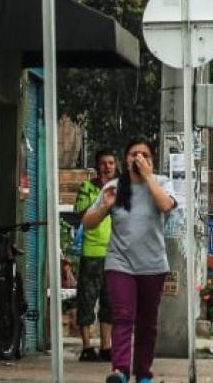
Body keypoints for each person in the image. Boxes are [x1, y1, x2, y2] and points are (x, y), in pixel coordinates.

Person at [83, 138, 177, 383]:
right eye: (133, 154)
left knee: (147, 322)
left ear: (152, 160)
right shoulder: (114, 187)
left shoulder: (162, 183)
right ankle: (120, 370)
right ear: (125, 160)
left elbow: (166, 205)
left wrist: (148, 177)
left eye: (144, 154)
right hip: (120, 263)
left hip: (153, 265)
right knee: (122, 316)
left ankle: (143, 373)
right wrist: (105, 206)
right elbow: (88, 222)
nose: (138, 158)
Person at [73, 148, 118, 362]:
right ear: (97, 167)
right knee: (86, 300)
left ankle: (106, 346)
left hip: (114, 254)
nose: (107, 167)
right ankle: (86, 347)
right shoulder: (87, 188)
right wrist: (101, 196)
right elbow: (80, 213)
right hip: (91, 254)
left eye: (110, 163)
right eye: (103, 163)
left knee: (109, 303)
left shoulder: (121, 190)